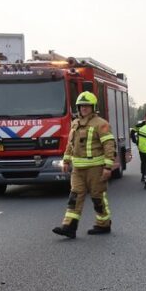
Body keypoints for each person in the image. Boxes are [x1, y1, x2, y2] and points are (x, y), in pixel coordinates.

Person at [52, 91, 116, 238]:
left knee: (97, 197)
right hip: (78, 169)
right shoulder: (75, 123)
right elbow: (70, 144)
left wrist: (107, 167)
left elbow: (109, 145)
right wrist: (66, 160)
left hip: (96, 168)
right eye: (81, 106)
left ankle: (103, 224)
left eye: (87, 106)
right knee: (75, 196)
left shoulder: (101, 124)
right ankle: (69, 227)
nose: (84, 109)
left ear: (93, 107)